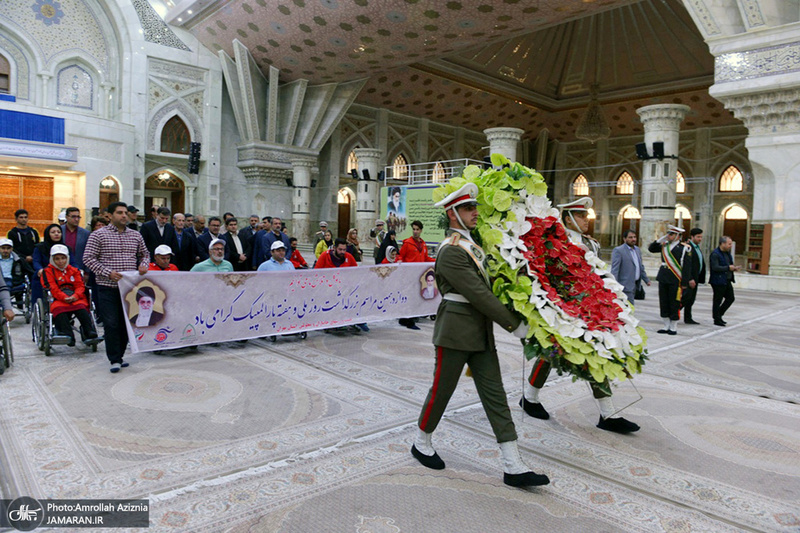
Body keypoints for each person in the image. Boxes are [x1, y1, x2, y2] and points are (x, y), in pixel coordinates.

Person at [412, 183, 548, 487]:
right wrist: (515, 325)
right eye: (467, 208)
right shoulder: (451, 250)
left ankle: (512, 464)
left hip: (480, 333)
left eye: (474, 207)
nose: (475, 212)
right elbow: (479, 295)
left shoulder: (474, 245)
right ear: (452, 213)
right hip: (455, 333)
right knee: (442, 391)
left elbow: (491, 286)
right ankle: (421, 441)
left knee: (495, 394)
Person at [520, 197, 640, 434]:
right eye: (581, 216)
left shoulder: (590, 243)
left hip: (591, 307)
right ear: (568, 219)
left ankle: (607, 413)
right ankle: (531, 397)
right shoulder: (557, 241)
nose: (587, 220)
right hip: (565, 305)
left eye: (587, 215)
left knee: (593, 353)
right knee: (554, 351)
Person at [83, 201, 149, 373]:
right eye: (119, 212)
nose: (124, 215)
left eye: (125, 212)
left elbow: (145, 254)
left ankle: (119, 355)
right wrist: (107, 272)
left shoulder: (135, 235)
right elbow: (88, 258)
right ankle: (114, 358)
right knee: (111, 323)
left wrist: (143, 264)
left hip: (129, 288)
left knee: (126, 323)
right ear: (110, 216)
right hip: (108, 286)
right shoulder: (98, 235)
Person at [41, 244, 99, 346]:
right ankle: (68, 335)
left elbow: (80, 286)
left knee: (82, 308)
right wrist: (64, 297)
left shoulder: (74, 270)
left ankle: (88, 331)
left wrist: (75, 296)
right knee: (60, 310)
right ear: (52, 259)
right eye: (57, 259)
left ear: (67, 258)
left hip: (75, 297)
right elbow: (52, 288)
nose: (60, 261)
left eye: (63, 258)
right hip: (58, 299)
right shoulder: (47, 272)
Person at [648, 225, 692, 335]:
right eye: (668, 233)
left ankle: (673, 326)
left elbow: (687, 267)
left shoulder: (684, 248)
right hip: (663, 277)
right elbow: (651, 249)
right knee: (663, 301)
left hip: (675, 278)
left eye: (671, 234)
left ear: (678, 236)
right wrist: (659, 240)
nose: (668, 236)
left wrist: (685, 282)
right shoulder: (664, 246)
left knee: (674, 302)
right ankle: (666, 325)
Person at [398, 220, 434, 329]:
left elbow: (426, 258)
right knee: (409, 297)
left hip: (420, 276)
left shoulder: (423, 244)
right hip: (409, 276)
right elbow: (400, 255)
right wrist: (399, 261)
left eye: (417, 229)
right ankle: (408, 320)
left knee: (416, 297)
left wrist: (436, 260)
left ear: (421, 230)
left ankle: (407, 318)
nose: (415, 231)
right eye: (414, 229)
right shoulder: (407, 243)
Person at [32, 224, 72, 304]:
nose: (56, 234)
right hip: (45, 274)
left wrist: (78, 270)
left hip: (62, 274)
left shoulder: (66, 248)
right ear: (48, 234)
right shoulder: (40, 247)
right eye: (53, 232)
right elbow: (36, 261)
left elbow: (72, 262)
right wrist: (40, 269)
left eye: (59, 232)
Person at [610, 229, 651, 303]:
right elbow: (615, 269)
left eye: (634, 237)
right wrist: (614, 285)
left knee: (631, 307)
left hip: (634, 286)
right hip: (623, 286)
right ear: (624, 239)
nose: (633, 239)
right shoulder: (619, 250)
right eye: (630, 237)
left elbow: (640, 267)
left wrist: (646, 280)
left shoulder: (637, 250)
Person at [709, 235, 740, 326]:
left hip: (727, 280)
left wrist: (733, 268)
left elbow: (728, 265)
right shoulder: (715, 254)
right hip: (718, 280)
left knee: (730, 298)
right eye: (729, 244)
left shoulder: (727, 253)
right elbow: (715, 267)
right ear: (723, 244)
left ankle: (719, 314)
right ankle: (716, 318)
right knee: (717, 300)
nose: (730, 246)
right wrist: (728, 268)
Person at [682, 227, 706, 324]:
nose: (700, 239)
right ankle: (673, 313)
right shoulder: (688, 248)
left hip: (696, 277)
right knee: (685, 298)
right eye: (698, 237)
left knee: (691, 299)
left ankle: (688, 317)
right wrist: (690, 278)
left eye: (701, 237)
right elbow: (687, 265)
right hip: (690, 278)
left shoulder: (697, 247)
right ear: (692, 237)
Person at [0, 238, 33, 307]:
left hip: (13, 282)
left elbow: (30, 272)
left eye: (8, 248)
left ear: (12, 249)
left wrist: (31, 286)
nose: (5, 250)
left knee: (6, 287)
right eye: (3, 248)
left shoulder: (19, 260)